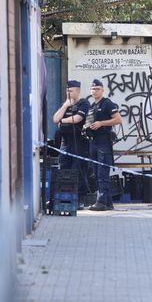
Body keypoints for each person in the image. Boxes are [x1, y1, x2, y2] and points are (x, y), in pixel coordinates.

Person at [52, 80, 91, 208]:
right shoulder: (65, 105)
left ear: (78, 91)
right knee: (64, 169)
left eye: (71, 91)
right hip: (65, 142)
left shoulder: (84, 103)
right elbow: (54, 119)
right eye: (67, 90)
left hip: (79, 142)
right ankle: (65, 198)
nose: (68, 93)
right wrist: (64, 106)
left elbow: (78, 119)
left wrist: (62, 120)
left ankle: (80, 199)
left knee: (79, 170)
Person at [85, 78, 122, 211]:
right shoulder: (91, 106)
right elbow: (88, 122)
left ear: (103, 90)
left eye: (97, 89)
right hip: (93, 142)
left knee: (102, 174)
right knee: (96, 173)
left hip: (103, 142)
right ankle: (107, 203)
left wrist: (101, 123)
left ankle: (101, 202)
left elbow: (118, 120)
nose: (95, 91)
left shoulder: (107, 103)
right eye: (93, 89)